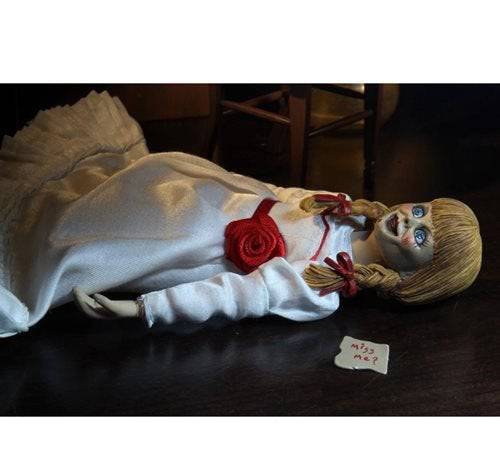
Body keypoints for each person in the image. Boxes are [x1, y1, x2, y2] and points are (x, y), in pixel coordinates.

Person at [0, 91, 482, 338]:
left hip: (193, 247)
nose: (411, 221)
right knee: (124, 194)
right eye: (422, 211)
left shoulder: (324, 282)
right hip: (208, 199)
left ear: (414, 277)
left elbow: (241, 295)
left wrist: (147, 308)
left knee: (99, 241)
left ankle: (43, 248)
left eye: (422, 238)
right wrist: (221, 179)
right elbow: (280, 194)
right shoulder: (345, 209)